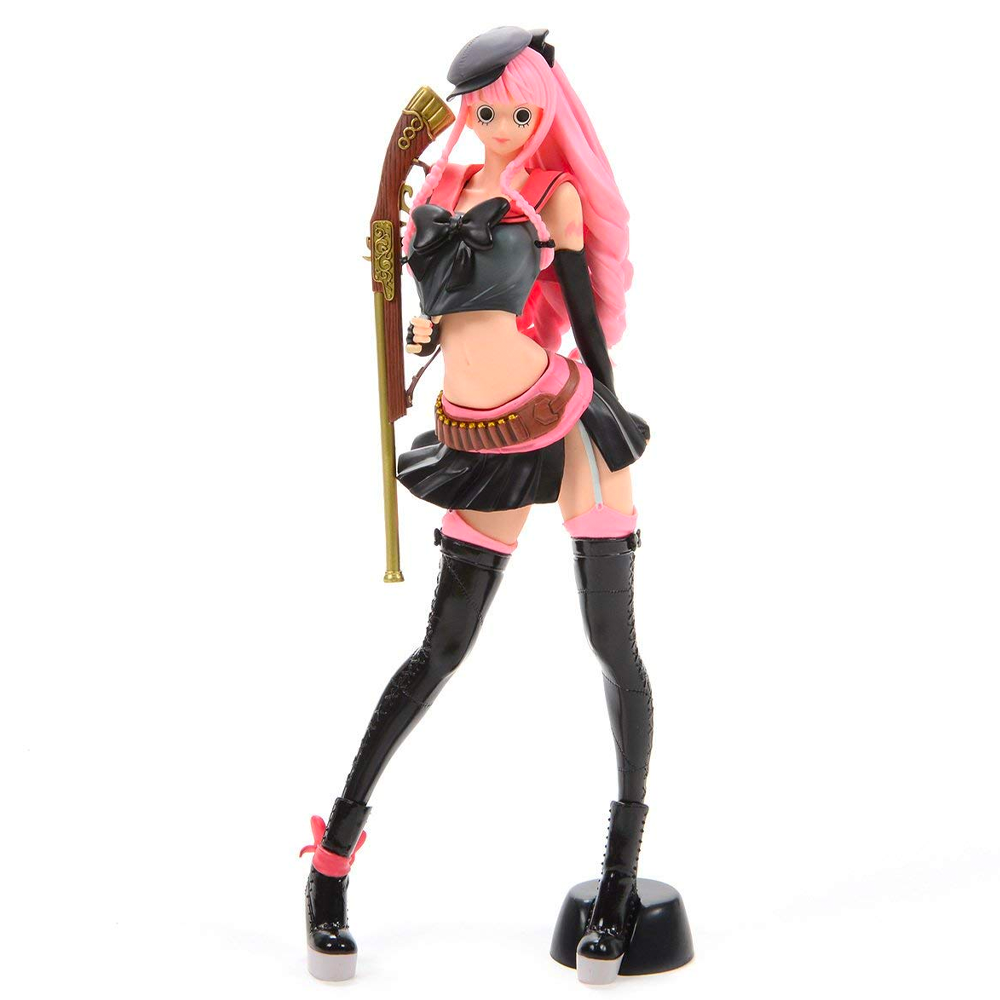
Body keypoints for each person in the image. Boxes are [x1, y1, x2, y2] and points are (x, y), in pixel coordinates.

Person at [302, 27, 654, 985]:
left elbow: (583, 314)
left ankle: (619, 879)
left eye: (522, 113)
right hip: (477, 433)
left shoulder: (553, 196)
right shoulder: (440, 191)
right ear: (468, 109)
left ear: (546, 113)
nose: (503, 126)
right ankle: (330, 860)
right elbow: (435, 312)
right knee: (441, 650)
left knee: (612, 646)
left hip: (564, 420)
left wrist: (613, 405)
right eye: (488, 110)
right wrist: (411, 326)